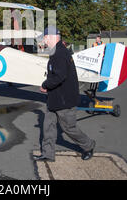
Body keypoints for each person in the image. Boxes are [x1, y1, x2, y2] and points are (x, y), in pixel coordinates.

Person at [34, 26, 96, 162]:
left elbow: (59, 76)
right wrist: (48, 86)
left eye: (45, 38)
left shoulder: (60, 53)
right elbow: (57, 75)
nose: (44, 41)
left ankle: (88, 145)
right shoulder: (57, 51)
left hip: (64, 100)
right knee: (48, 126)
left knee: (69, 128)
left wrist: (45, 85)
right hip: (55, 98)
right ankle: (48, 154)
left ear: (49, 37)